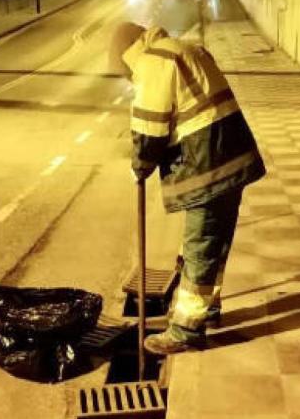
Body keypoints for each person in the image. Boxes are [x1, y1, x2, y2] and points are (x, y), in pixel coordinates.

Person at [109, 22, 265, 354]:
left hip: (209, 164)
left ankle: (185, 331)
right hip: (232, 155)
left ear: (129, 55)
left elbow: (149, 131)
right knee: (215, 241)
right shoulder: (185, 48)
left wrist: (140, 167)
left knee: (199, 245)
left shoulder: (153, 62)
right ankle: (208, 309)